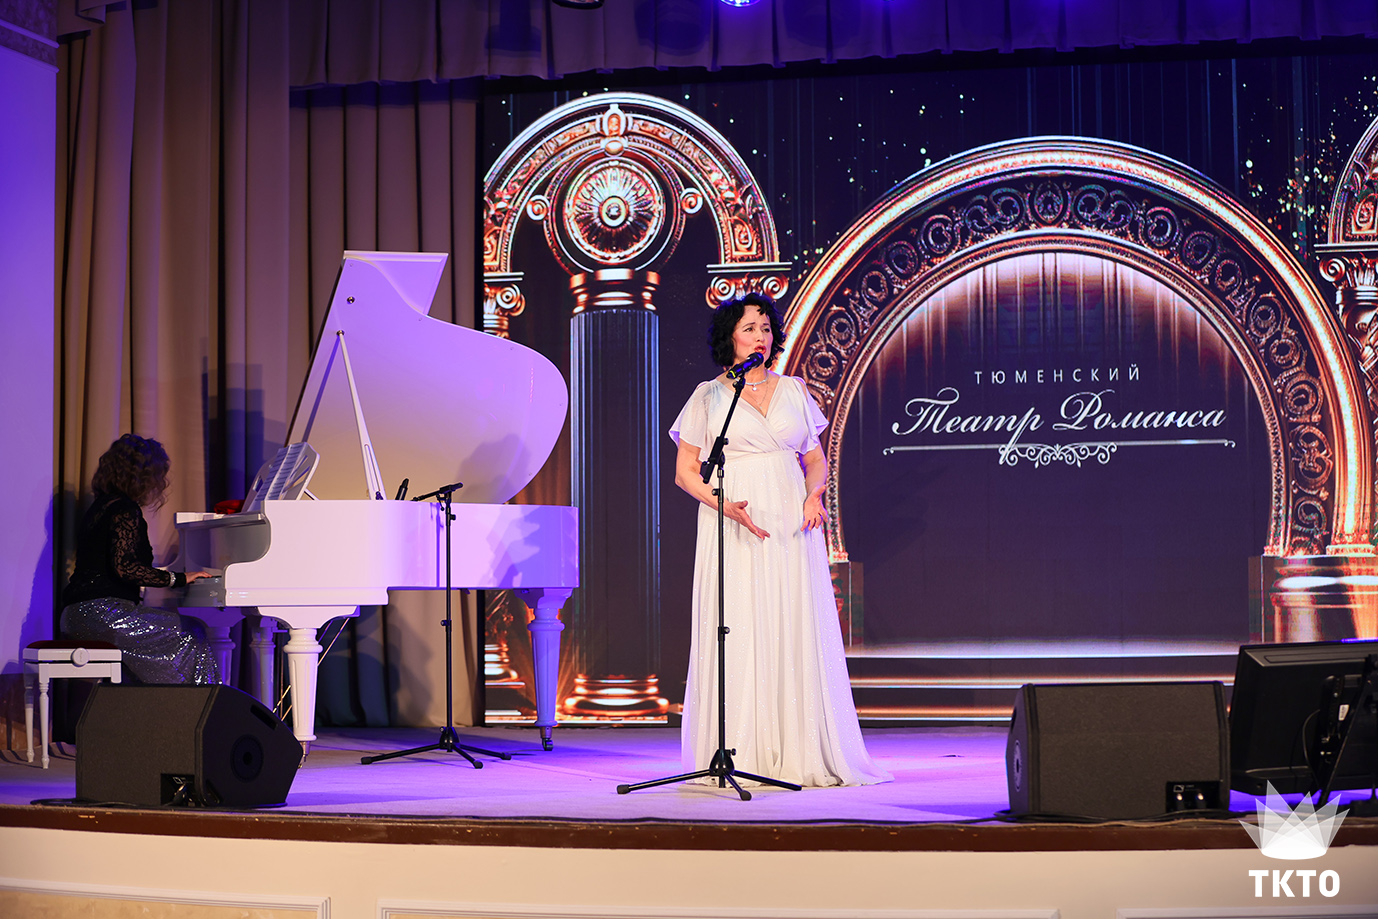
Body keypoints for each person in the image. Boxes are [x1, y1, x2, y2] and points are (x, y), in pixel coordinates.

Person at [670, 292, 890, 787]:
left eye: (766, 329)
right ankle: (740, 746)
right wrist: (724, 505)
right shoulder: (708, 396)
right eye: (750, 329)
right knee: (740, 622)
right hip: (733, 519)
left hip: (791, 521)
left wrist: (814, 496)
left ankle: (798, 749)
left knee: (791, 618)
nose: (760, 337)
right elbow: (686, 472)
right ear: (730, 337)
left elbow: (815, 460)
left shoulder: (794, 390)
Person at [61, 434, 219, 684]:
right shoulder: (125, 509)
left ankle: (162, 704)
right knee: (192, 630)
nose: (160, 483)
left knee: (158, 650)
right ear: (143, 476)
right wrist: (177, 578)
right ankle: (204, 705)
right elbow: (125, 568)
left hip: (76, 615)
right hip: (103, 614)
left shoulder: (99, 507)